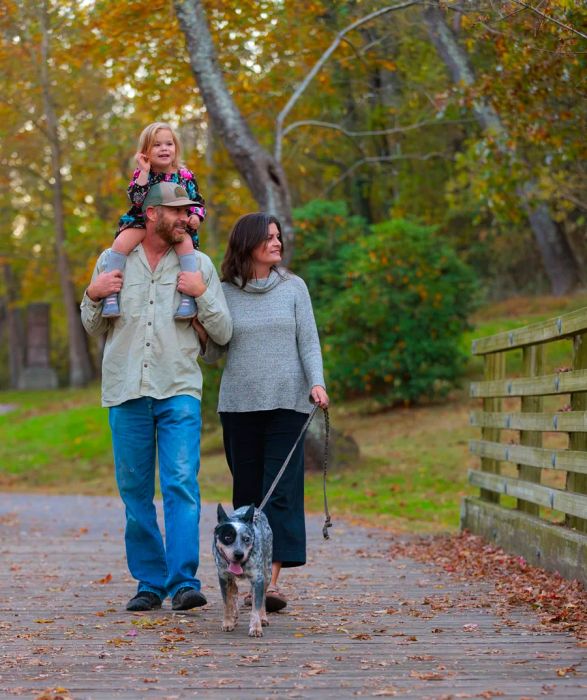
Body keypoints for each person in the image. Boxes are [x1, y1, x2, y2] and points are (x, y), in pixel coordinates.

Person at [80, 181, 232, 612]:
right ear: (151, 215)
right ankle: (149, 582)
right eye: (178, 211)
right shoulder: (114, 261)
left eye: (188, 211)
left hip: (178, 387)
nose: (186, 217)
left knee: (181, 484)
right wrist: (92, 295)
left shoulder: (197, 263)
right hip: (125, 389)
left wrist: (202, 297)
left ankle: (184, 582)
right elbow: (93, 326)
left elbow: (223, 333)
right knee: (134, 491)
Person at [201, 212, 329, 613]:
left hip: (288, 403)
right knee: (247, 494)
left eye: (278, 238)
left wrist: (317, 381)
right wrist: (199, 325)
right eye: (268, 238)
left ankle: (271, 583)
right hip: (239, 405)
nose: (277, 243)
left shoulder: (294, 288)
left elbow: (308, 341)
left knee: (281, 494)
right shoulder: (223, 292)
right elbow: (214, 351)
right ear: (248, 245)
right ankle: (242, 574)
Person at [102, 121, 206, 320]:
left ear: (176, 147)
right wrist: (144, 172)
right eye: (157, 145)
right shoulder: (143, 174)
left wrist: (195, 216)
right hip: (144, 221)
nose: (164, 149)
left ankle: (187, 297)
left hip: (176, 224)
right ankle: (110, 293)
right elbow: (136, 199)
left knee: (186, 244)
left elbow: (198, 201)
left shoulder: (184, 175)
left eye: (169, 144)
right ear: (145, 151)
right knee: (121, 241)